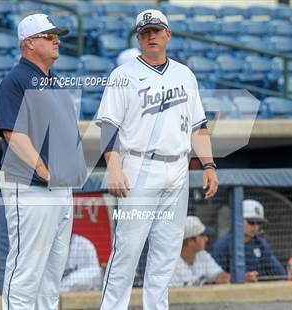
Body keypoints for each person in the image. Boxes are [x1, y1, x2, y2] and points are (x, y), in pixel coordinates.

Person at [96, 9, 219, 309]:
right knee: (127, 250)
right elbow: (109, 125)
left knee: (166, 252)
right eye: (145, 32)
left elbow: (198, 127)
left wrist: (209, 165)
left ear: (168, 34)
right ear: (138, 38)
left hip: (177, 167)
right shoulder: (122, 75)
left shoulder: (184, 74)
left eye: (156, 30)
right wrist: (113, 166)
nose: (151, 35)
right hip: (139, 166)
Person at [0, 13, 86, 310]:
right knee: (26, 269)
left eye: (56, 35)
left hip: (60, 188)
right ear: (29, 43)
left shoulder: (55, 81)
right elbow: (13, 132)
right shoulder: (15, 80)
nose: (57, 40)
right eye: (49, 36)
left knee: (52, 274)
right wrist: (42, 169)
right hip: (31, 185)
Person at [212, 199, 286, 282]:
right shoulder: (223, 245)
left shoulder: (260, 244)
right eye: (252, 222)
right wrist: (240, 279)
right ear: (238, 219)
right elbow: (216, 278)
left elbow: (280, 273)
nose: (255, 227)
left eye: (259, 223)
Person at [170, 216, 230, 287]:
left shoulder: (202, 254)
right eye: (202, 235)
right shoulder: (170, 264)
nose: (206, 239)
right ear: (190, 241)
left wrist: (225, 278)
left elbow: (220, 275)